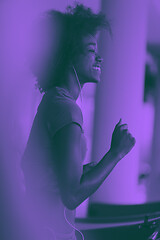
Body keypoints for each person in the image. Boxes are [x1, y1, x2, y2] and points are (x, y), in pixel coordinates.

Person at [20, 4, 136, 240]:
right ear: (69, 54)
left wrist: (82, 171)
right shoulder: (67, 109)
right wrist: (116, 153)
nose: (100, 57)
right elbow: (71, 196)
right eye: (92, 50)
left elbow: (44, 175)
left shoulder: (52, 99)